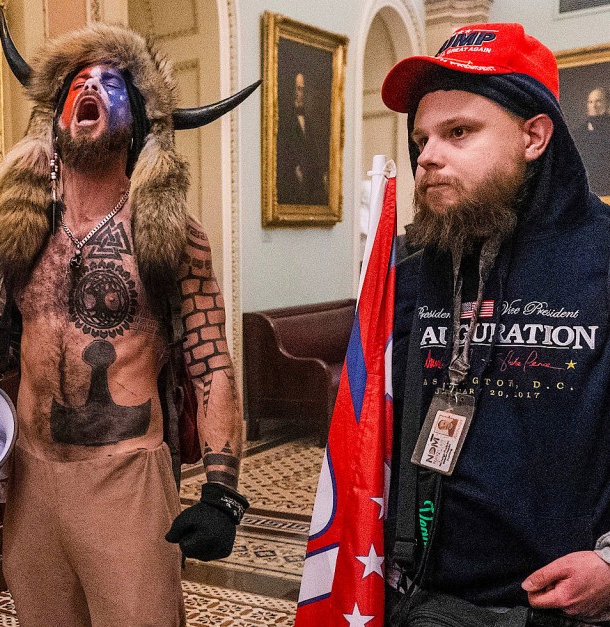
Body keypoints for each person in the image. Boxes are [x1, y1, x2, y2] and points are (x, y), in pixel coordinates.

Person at [0, 18, 256, 625]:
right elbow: (13, 343)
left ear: (138, 122)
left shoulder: (171, 236)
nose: (91, 89)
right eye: (78, 82)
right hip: (32, 476)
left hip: (126, 477)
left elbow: (210, 362)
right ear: (56, 115)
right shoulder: (25, 231)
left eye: (111, 84)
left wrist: (221, 493)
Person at [381, 23, 610, 625]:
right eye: (422, 137)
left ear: (534, 136)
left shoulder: (603, 259)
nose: (427, 156)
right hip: (418, 593)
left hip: (556, 605)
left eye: (458, 132)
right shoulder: (411, 273)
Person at [277, 71, 329, 206]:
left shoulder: (312, 123)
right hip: (290, 188)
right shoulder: (284, 122)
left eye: (301, 89)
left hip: (310, 187)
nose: (297, 93)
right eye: (295, 89)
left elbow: (315, 156)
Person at [574, 86, 610, 196]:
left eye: (598, 101)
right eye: (590, 102)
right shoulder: (577, 134)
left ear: (606, 104)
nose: (594, 105)